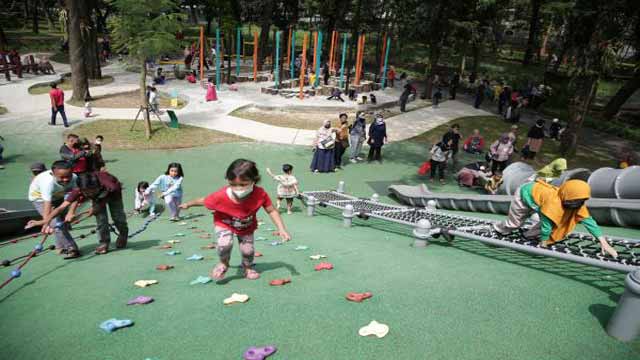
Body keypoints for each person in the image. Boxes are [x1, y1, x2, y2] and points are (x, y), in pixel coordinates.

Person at [179, 159, 291, 280]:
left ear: (254, 180)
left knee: (247, 251)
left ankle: (247, 267)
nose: (238, 188)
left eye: (243, 184)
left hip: (246, 226)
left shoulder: (260, 194)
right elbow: (203, 200)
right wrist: (189, 204)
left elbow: (272, 210)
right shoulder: (221, 195)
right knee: (224, 244)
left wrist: (281, 229)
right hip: (224, 223)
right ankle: (224, 263)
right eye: (233, 184)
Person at [493, 179, 618, 257]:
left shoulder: (577, 202)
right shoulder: (553, 203)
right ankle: (498, 229)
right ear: (567, 195)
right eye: (574, 201)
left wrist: (604, 243)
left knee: (547, 222)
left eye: (580, 201)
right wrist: (543, 244)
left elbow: (589, 222)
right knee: (515, 223)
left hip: (539, 201)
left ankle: (527, 235)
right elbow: (547, 225)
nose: (576, 204)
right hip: (525, 194)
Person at [64, 171, 129, 254]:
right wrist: (71, 212)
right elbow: (73, 200)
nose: (90, 193)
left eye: (91, 191)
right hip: (97, 197)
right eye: (87, 192)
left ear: (98, 186)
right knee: (101, 219)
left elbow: (111, 192)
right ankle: (104, 243)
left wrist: (97, 207)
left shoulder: (111, 186)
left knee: (118, 217)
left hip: (113, 194)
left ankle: (123, 233)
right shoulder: (80, 188)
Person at [27, 160, 80, 259]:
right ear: (53, 174)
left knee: (63, 222)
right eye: (62, 177)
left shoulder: (75, 178)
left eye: (68, 176)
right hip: (40, 199)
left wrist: (71, 212)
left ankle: (60, 247)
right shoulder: (47, 183)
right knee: (55, 224)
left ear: (72, 172)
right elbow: (47, 204)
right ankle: (72, 248)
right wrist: (46, 223)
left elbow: (76, 196)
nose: (65, 180)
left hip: (59, 195)